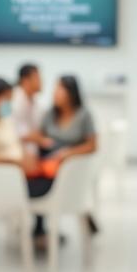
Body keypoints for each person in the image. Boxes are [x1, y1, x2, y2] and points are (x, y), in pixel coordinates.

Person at [36, 75, 100, 238]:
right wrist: (42, 141)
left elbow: (93, 145)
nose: (55, 93)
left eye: (59, 89)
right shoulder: (50, 113)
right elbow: (39, 135)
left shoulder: (84, 115)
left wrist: (67, 153)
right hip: (48, 164)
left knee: (38, 184)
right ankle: (39, 229)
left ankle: (40, 229)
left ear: (71, 92)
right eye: (55, 88)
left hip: (70, 167)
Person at [12, 63, 46, 156]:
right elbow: (5, 128)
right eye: (38, 78)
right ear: (25, 80)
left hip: (34, 153)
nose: (41, 82)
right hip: (16, 153)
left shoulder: (36, 102)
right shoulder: (9, 99)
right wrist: (37, 138)